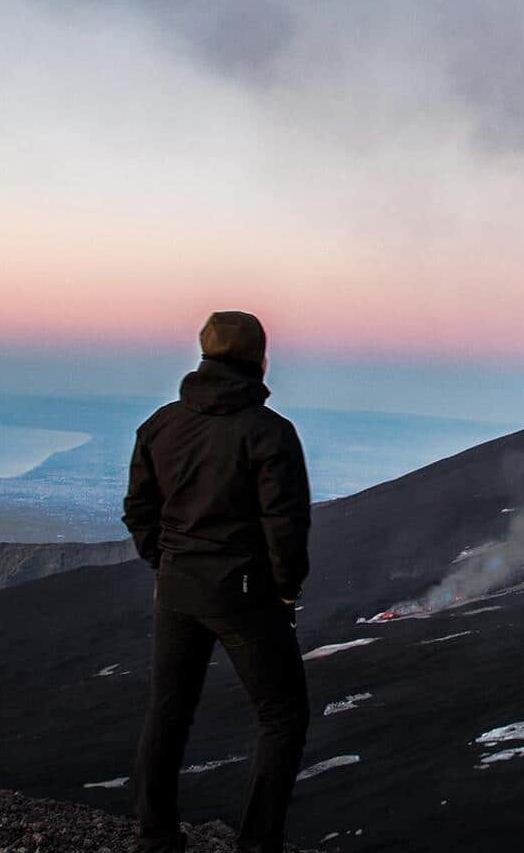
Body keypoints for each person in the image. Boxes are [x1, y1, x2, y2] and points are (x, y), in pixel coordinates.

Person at [124, 311, 312, 853]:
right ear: (258, 360)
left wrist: (164, 561)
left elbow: (139, 508)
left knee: (169, 709)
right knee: (282, 717)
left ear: (205, 355)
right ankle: (257, 843)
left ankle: (155, 837)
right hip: (244, 595)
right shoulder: (269, 432)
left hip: (177, 590)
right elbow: (285, 523)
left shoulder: (160, 425)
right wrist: (285, 588)